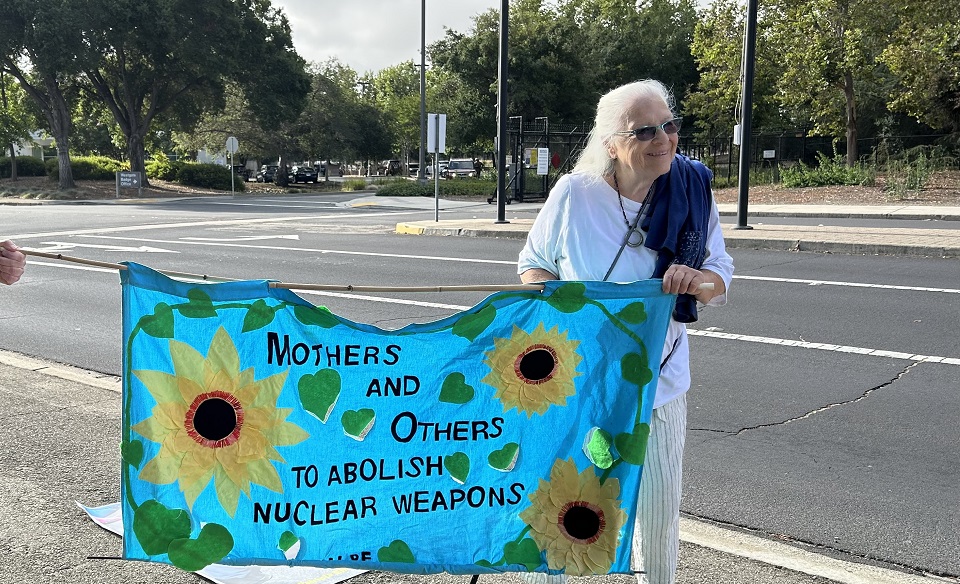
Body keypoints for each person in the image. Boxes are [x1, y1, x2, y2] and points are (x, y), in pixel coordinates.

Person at [517, 80, 733, 584]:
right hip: (579, 381)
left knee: (658, 512)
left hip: (660, 382)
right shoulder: (574, 195)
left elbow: (720, 274)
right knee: (563, 499)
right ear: (612, 144)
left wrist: (697, 281)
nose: (665, 139)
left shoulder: (694, 188)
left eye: (670, 125)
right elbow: (534, 264)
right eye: (646, 131)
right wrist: (563, 305)